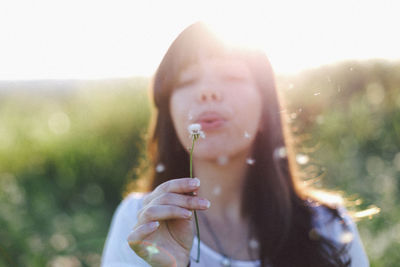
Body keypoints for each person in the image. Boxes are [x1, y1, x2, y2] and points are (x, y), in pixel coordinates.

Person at [101, 22, 369, 267]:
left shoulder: (328, 227)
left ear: (266, 110)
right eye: (187, 81)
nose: (207, 92)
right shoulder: (141, 222)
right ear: (169, 114)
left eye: (231, 76)